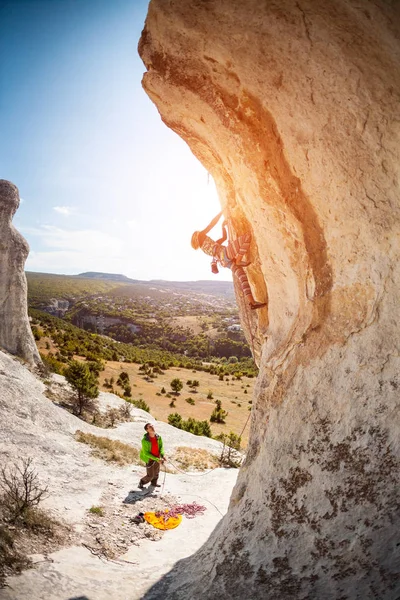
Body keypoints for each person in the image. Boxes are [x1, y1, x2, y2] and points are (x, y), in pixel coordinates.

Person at [191, 212, 266, 310]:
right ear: (196, 236)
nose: (203, 234)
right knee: (247, 237)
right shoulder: (200, 235)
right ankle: (238, 260)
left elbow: (224, 238)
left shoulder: (207, 247)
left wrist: (223, 227)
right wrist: (221, 213)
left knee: (242, 277)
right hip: (225, 254)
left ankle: (252, 302)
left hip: (225, 262)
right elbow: (211, 224)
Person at [138, 423, 165, 489]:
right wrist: (156, 459)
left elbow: (161, 447)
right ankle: (141, 482)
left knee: (156, 472)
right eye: (150, 426)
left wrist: (162, 455)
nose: (152, 427)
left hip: (157, 458)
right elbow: (146, 453)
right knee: (150, 475)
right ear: (147, 430)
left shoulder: (158, 437)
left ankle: (154, 483)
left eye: (152, 425)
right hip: (150, 459)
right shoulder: (145, 440)